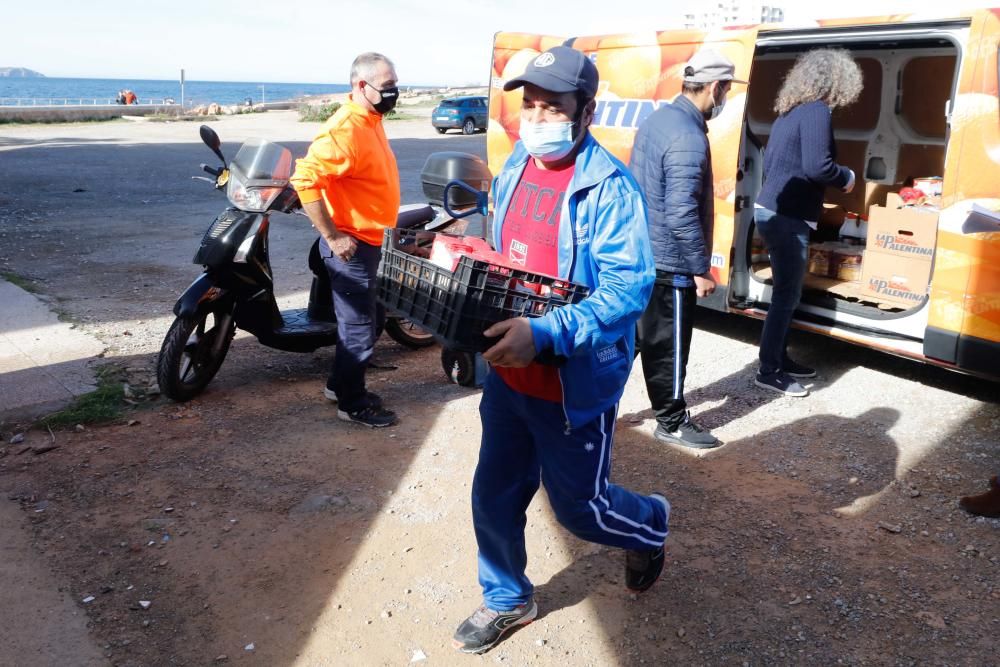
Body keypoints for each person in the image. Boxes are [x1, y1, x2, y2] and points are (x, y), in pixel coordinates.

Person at [452, 46, 670, 655]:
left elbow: (629, 290)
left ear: (587, 110)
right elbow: (505, 258)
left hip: (570, 385)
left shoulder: (610, 188)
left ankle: (649, 524)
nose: (538, 116)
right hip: (507, 379)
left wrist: (545, 334)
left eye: (553, 105)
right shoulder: (517, 165)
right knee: (493, 493)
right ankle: (507, 597)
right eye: (531, 104)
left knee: (581, 512)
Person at [628, 49, 744, 449]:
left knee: (633, 340)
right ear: (715, 87)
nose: (724, 97)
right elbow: (680, 213)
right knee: (669, 347)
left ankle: (589, 405)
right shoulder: (688, 136)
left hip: (643, 253)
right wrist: (700, 269)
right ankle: (672, 421)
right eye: (726, 89)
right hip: (670, 262)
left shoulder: (659, 119)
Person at [290, 52, 401, 428]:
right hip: (350, 245)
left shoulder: (371, 118)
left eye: (395, 85)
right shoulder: (345, 129)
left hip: (370, 239)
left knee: (374, 318)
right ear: (361, 86)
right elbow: (304, 181)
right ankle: (353, 404)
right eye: (387, 88)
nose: (394, 94)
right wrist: (333, 236)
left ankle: (340, 385)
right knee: (358, 328)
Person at [753, 49, 861, 396]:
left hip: (773, 210)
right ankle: (769, 370)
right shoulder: (816, 111)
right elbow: (818, 166)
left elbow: (774, 163)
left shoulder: (791, 111)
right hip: (786, 217)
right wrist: (846, 177)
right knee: (786, 294)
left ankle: (780, 358)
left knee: (788, 291)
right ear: (838, 81)